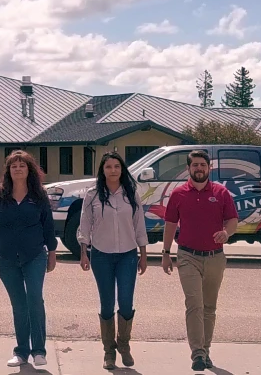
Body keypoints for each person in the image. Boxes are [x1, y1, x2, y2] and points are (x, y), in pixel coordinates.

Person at [0, 150, 57, 368]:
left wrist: (52, 253)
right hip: (6, 258)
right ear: (8, 170)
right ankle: (21, 352)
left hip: (34, 255)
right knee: (19, 305)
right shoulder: (0, 194)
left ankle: (39, 350)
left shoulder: (39, 195)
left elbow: (48, 226)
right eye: (13, 166)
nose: (17, 169)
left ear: (29, 169)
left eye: (22, 165)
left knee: (35, 299)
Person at [161, 149, 238, 371]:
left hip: (214, 257)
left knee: (208, 307)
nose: (199, 168)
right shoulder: (178, 194)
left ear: (209, 168)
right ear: (188, 168)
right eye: (195, 165)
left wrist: (227, 232)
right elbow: (170, 225)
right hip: (187, 256)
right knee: (194, 304)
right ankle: (197, 354)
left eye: (203, 165)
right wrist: (165, 254)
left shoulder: (221, 193)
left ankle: (205, 350)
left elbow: (232, 220)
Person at [77, 151, 148, 370]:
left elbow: (139, 224)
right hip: (101, 255)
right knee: (107, 303)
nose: (113, 170)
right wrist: (83, 251)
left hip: (127, 254)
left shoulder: (131, 193)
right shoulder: (93, 195)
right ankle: (109, 351)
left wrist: (143, 254)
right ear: (103, 170)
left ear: (122, 169)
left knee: (126, 302)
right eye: (108, 167)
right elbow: (85, 223)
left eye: (117, 166)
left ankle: (124, 345)